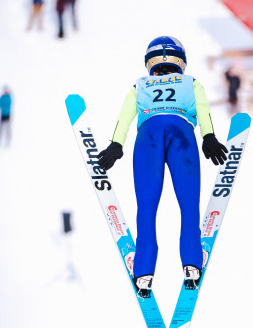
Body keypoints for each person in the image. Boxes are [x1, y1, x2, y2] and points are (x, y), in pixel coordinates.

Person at [97, 36, 228, 296]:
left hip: (149, 135)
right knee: (189, 205)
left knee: (146, 207)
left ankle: (144, 271)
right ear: (181, 61)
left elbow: (125, 115)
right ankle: (191, 263)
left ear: (150, 62)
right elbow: (203, 109)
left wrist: (116, 144)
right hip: (182, 134)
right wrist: (208, 136)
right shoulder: (191, 83)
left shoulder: (140, 85)